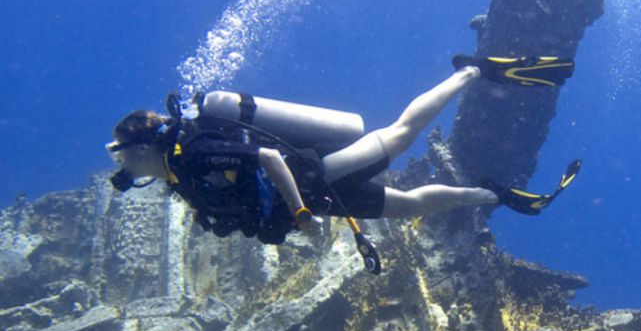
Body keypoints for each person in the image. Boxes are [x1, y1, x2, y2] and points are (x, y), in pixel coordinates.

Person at [107, 55, 579, 273]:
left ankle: (472, 70)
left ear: (143, 146)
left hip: (320, 173)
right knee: (410, 206)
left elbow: (270, 157)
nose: (123, 163)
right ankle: (494, 193)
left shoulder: (193, 154)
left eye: (122, 151)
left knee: (401, 134)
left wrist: (299, 214)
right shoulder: (176, 174)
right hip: (319, 195)